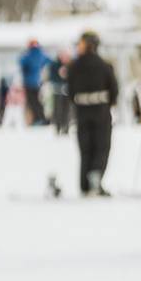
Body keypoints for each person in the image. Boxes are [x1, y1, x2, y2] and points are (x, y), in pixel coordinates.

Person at [66, 31, 119, 196]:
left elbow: (70, 90)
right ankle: (95, 181)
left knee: (85, 148)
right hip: (101, 109)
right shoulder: (104, 65)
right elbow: (114, 90)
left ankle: (84, 185)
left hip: (82, 110)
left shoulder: (73, 66)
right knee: (101, 146)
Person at [18, 39, 52, 126]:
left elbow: (21, 63)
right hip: (39, 82)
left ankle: (39, 119)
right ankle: (41, 119)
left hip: (30, 83)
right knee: (38, 102)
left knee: (33, 102)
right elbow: (49, 61)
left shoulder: (28, 55)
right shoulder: (42, 54)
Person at [48, 51, 72, 135]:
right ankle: (58, 127)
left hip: (68, 91)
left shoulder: (71, 65)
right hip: (57, 91)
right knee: (58, 109)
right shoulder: (54, 65)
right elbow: (51, 77)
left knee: (67, 110)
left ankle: (66, 127)